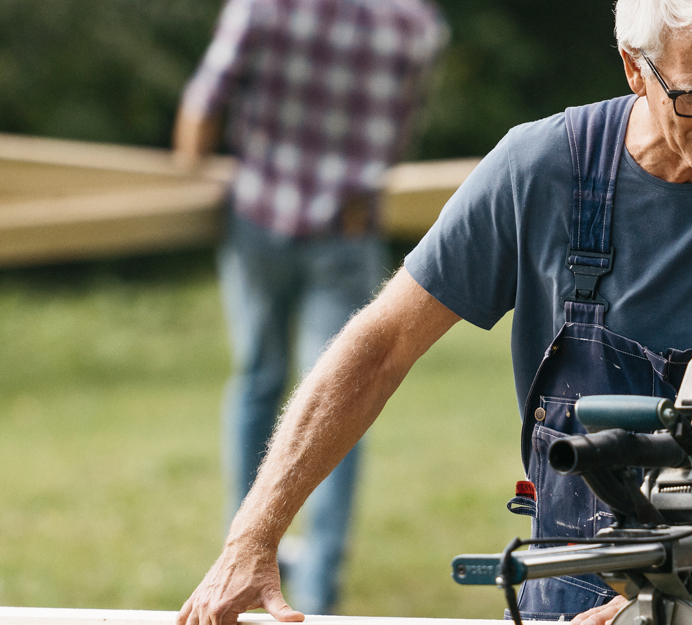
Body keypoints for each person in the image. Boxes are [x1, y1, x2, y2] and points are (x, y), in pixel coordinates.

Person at [175, 1, 692, 624]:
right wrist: (253, 535)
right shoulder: (542, 170)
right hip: (571, 595)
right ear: (634, 67)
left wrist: (678, 594)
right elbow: (381, 343)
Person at [173, 0, 447, 616]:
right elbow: (402, 127)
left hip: (256, 217)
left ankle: (238, 561)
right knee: (344, 394)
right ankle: (318, 586)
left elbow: (204, 103)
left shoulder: (265, 6)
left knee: (257, 383)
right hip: (348, 227)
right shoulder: (414, 24)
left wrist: (188, 178)